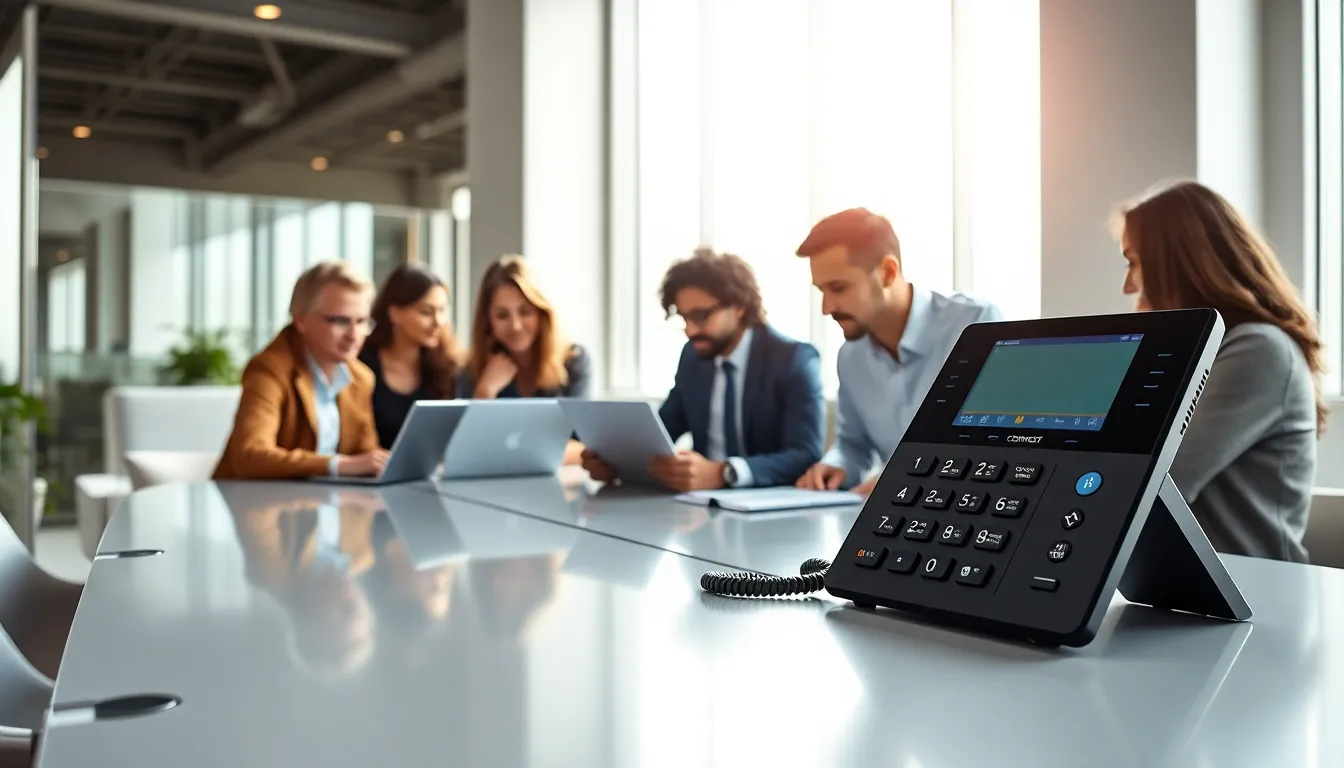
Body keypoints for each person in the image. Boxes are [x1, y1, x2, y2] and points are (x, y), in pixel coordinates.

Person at [1115, 180, 1327, 563]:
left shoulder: (1259, 350)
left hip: (1255, 591)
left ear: (1174, 264)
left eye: (1133, 262)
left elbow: (1160, 483)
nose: (1128, 285)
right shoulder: (1197, 353)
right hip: (1180, 586)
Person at [793, 208, 1002, 494]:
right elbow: (854, 445)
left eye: (839, 288)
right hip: (901, 515)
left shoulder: (973, 324)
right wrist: (838, 464)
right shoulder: (850, 357)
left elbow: (993, 440)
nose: (826, 307)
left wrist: (907, 478)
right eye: (821, 291)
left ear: (888, 272)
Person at [581, 247, 825, 491]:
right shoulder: (693, 358)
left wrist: (724, 473)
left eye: (700, 316)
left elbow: (805, 454)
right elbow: (664, 430)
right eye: (684, 317)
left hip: (772, 510)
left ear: (738, 306)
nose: (690, 330)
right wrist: (618, 462)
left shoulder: (793, 359)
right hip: (701, 507)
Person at [213, 261, 386, 480]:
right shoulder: (269, 370)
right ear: (301, 320)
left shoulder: (360, 378)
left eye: (362, 321)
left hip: (320, 505)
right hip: (253, 506)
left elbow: (364, 455)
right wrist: (338, 465)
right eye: (340, 321)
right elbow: (250, 455)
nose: (354, 334)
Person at [459, 255, 591, 464]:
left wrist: (511, 450)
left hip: (562, 486)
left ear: (541, 313)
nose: (516, 326)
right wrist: (485, 391)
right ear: (487, 321)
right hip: (495, 488)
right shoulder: (474, 369)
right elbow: (467, 450)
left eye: (525, 312)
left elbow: (583, 447)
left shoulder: (573, 360)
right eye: (502, 315)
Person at [358, 264, 463, 449]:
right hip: (370, 473)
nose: (438, 322)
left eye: (442, 311)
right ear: (395, 313)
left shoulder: (447, 365)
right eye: (426, 312)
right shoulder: (361, 363)